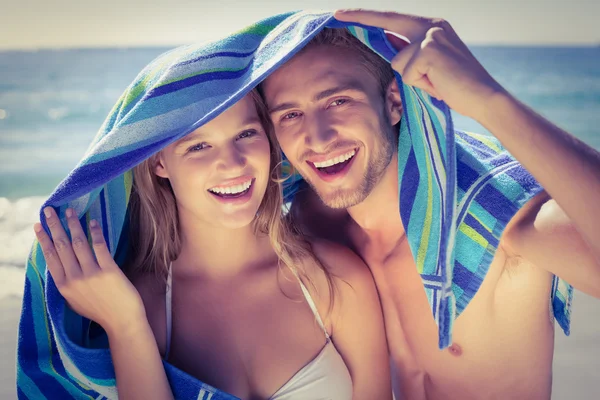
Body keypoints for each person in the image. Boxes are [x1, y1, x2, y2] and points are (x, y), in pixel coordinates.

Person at [260, 9, 600, 400]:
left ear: (393, 102)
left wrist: (489, 101)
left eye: (338, 101)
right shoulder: (311, 221)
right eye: (291, 114)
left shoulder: (494, 219)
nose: (317, 139)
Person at [33, 90, 391, 400]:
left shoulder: (335, 279)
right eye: (199, 145)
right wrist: (126, 327)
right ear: (159, 162)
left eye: (246, 134)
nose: (233, 164)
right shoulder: (139, 304)